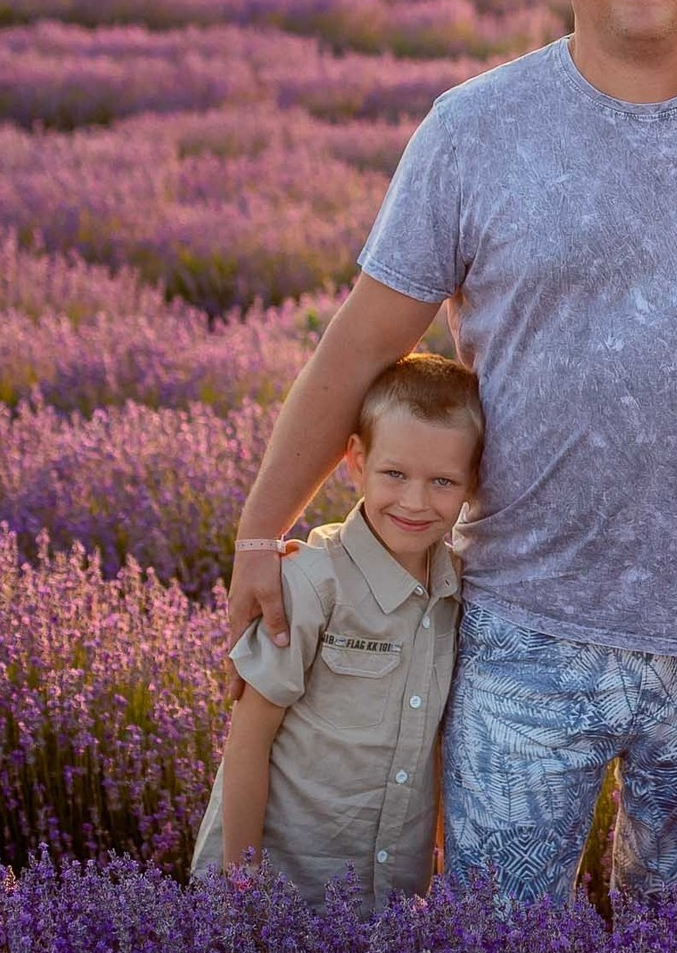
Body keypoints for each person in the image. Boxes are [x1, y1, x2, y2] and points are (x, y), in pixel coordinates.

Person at [220, 0, 677, 910]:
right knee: (501, 949)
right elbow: (361, 340)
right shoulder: (477, 128)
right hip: (525, 630)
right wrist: (262, 525)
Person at [191, 353, 480, 917]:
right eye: (394, 474)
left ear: (473, 483)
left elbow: (438, 745)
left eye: (443, 481)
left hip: (388, 900)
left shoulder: (456, 591)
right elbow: (247, 743)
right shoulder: (309, 582)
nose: (415, 502)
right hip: (279, 892)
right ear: (356, 461)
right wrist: (241, 890)